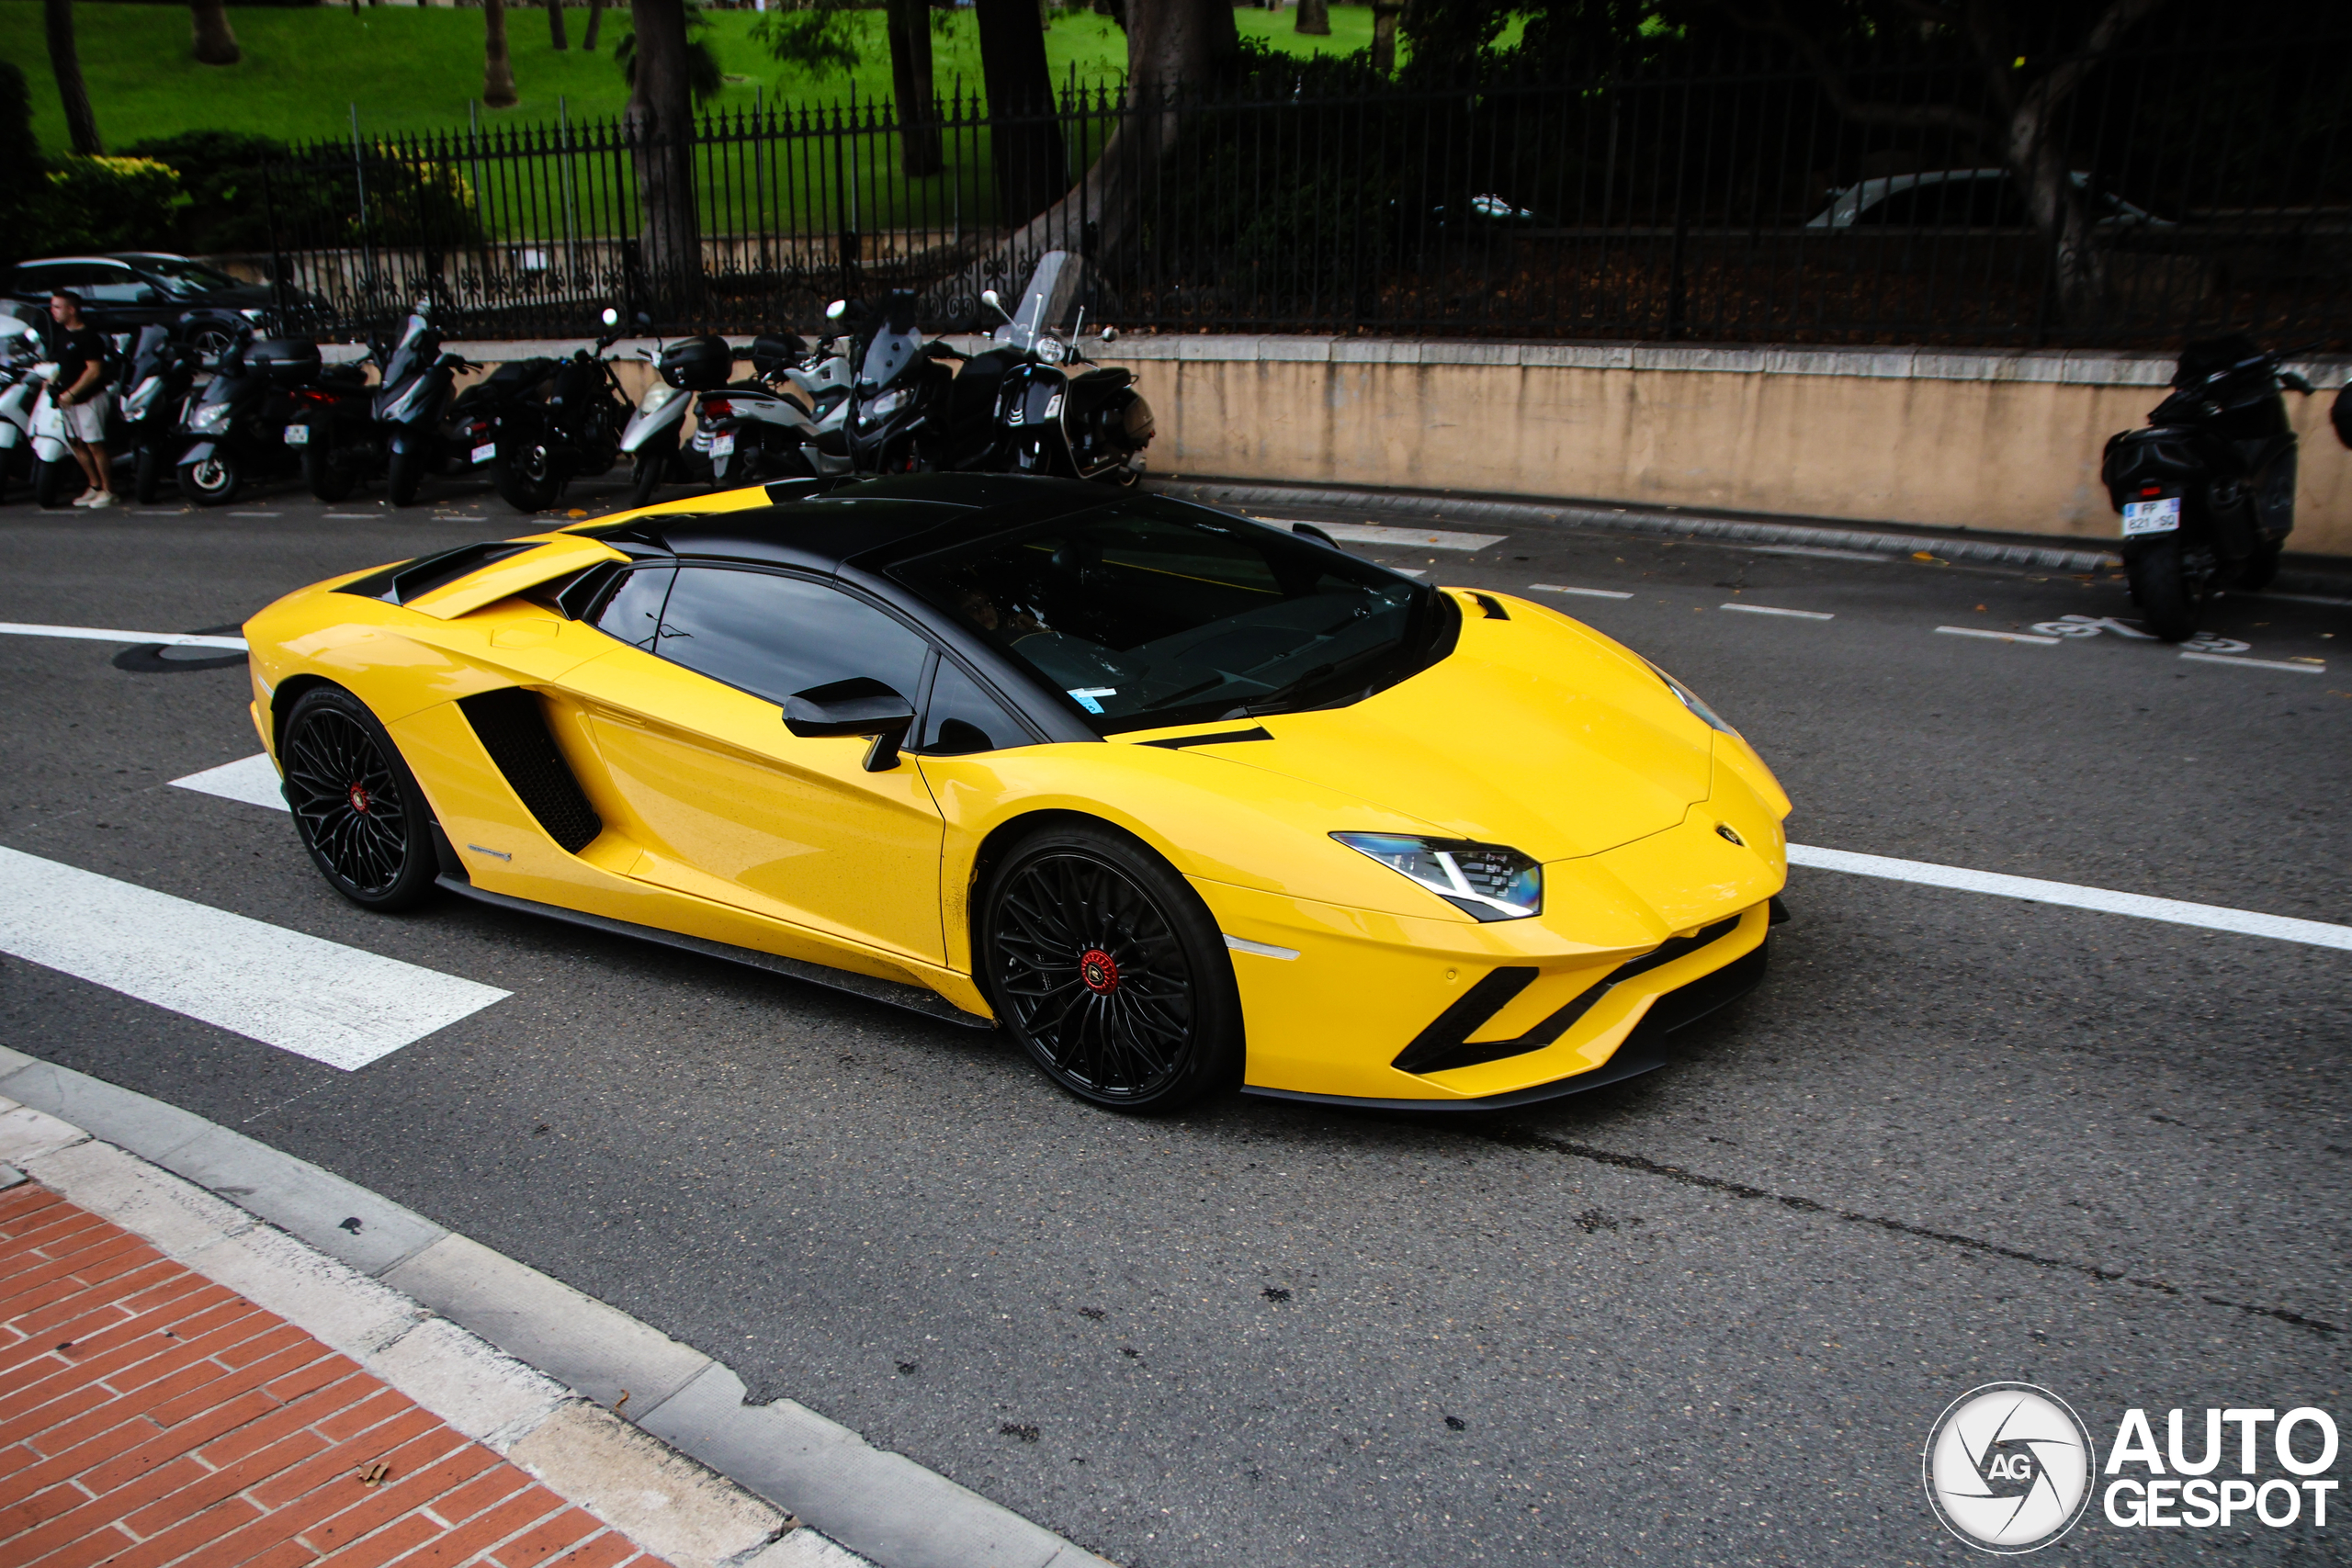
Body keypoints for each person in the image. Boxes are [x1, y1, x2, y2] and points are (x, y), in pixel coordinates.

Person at [48, 290, 114, 509]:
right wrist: (52, 379)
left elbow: (94, 371)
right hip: (68, 401)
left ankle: (108, 489)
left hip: (89, 398)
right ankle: (94, 486)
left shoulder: (88, 337)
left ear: (71, 309)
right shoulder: (62, 335)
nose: (53, 311)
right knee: (77, 443)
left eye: (57, 307)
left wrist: (73, 392)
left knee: (95, 443)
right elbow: (62, 364)